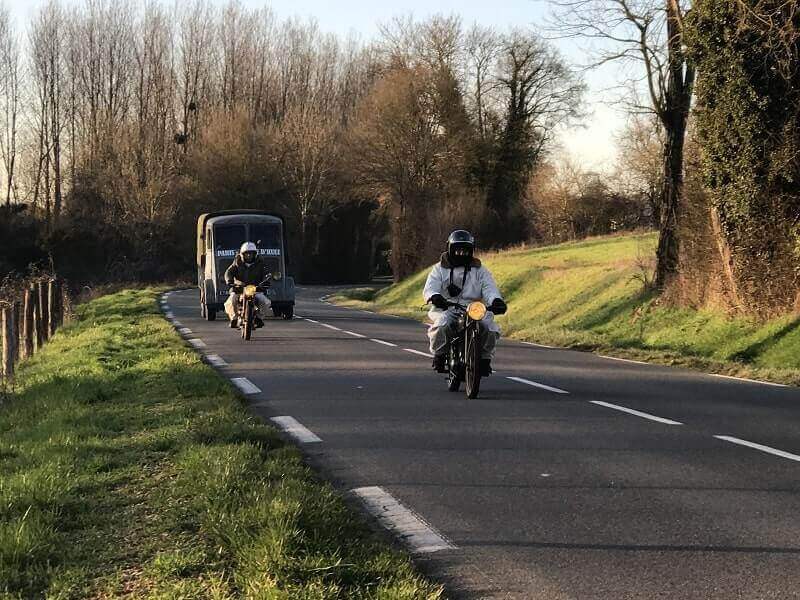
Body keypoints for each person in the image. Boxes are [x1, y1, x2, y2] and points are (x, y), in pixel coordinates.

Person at [423, 230, 507, 375]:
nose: (461, 254)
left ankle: (485, 360)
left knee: (490, 328)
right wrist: (435, 296)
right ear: (449, 248)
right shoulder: (439, 269)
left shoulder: (480, 270)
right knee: (442, 324)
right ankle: (440, 355)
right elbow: (430, 287)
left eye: (465, 250)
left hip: (474, 309)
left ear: (471, 250)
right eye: (457, 250)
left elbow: (489, 288)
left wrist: (496, 300)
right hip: (447, 307)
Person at [224, 242, 270, 328]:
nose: (249, 256)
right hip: (239, 288)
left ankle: (259, 318)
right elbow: (228, 272)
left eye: (251, 254)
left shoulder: (261, 263)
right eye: (247, 254)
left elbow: (266, 273)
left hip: (255, 288)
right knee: (231, 301)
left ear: (255, 254)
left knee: (265, 302)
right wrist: (229, 281)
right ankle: (234, 319)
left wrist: (266, 281)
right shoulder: (237, 262)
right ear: (242, 254)